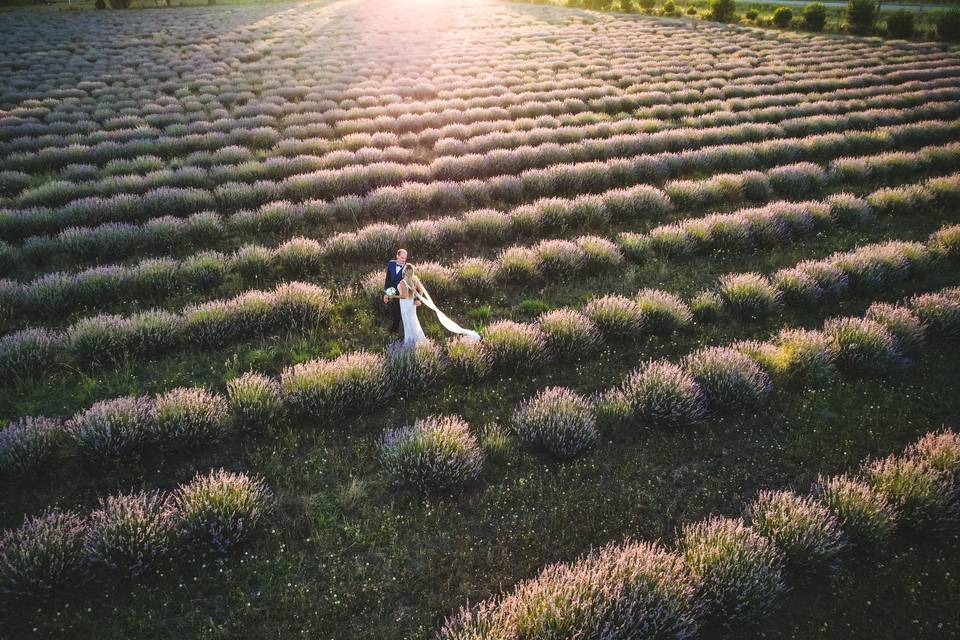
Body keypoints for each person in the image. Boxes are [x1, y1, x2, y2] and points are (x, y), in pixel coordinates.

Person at [397, 263, 428, 346]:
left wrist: (393, 296)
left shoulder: (403, 282)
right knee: (414, 321)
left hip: (404, 303)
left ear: (404, 271)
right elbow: (421, 291)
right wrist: (416, 299)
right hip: (411, 303)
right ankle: (419, 340)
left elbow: (404, 296)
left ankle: (410, 342)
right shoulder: (414, 279)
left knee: (407, 322)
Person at [383, 249, 407, 332]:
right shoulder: (391, 264)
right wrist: (386, 293)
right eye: (401, 258)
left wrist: (416, 298)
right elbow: (388, 280)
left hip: (403, 294)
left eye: (405, 258)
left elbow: (413, 284)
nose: (403, 260)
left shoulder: (407, 267)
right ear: (397, 256)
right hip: (392, 291)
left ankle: (393, 331)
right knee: (393, 311)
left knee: (399, 313)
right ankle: (394, 328)